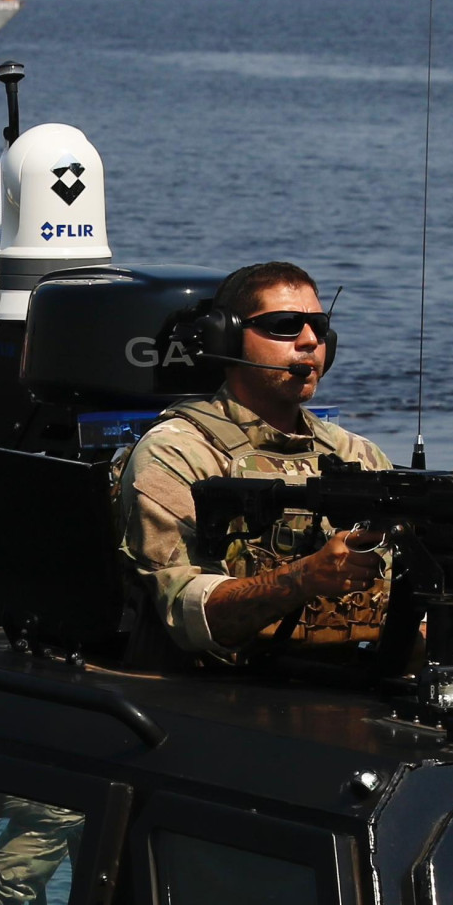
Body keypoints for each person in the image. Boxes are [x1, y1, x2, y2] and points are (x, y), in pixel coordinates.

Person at [116, 261, 392, 665]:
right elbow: (188, 612)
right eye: (285, 325)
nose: (310, 341)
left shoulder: (356, 454)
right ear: (226, 338)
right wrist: (305, 578)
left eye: (319, 325)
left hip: (340, 679)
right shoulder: (177, 452)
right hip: (208, 693)